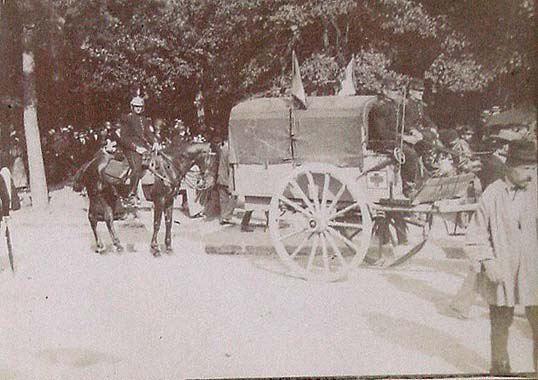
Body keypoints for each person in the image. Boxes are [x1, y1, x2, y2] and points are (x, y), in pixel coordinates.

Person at [464, 139, 537, 375]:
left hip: (533, 267)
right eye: (526, 169)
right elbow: (475, 234)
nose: (531, 174)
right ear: (510, 167)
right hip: (502, 266)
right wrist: (488, 262)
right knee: (500, 322)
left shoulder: (536, 190)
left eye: (534, 168)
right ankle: (500, 367)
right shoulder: (492, 194)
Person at [368, 78, 424, 197]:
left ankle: (422, 179)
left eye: (397, 90)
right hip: (381, 142)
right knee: (410, 154)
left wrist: (411, 130)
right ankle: (408, 188)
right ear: (384, 91)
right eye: (393, 90)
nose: (397, 93)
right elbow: (382, 133)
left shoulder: (392, 105)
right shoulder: (379, 108)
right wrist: (404, 138)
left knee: (422, 145)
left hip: (393, 139)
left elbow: (397, 124)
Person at [118, 95, 159, 200]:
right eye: (136, 106)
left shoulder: (144, 120)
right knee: (136, 168)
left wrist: (154, 142)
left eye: (140, 107)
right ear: (132, 107)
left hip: (144, 147)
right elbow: (124, 138)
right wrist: (136, 148)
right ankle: (131, 192)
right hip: (130, 147)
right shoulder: (127, 119)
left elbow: (148, 133)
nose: (138, 108)